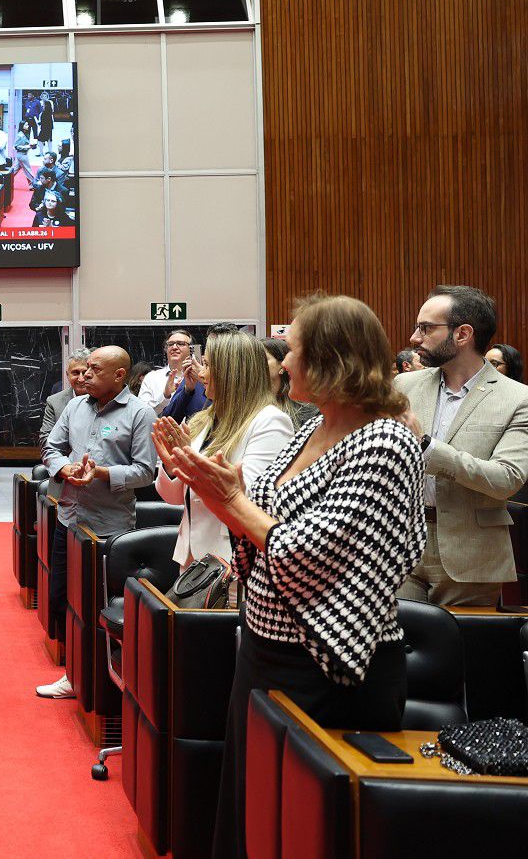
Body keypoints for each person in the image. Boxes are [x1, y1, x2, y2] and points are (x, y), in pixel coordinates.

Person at [163, 295, 424, 858]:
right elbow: (261, 518)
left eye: (293, 351)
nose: (282, 363)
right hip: (266, 650)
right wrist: (217, 487)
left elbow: (307, 550)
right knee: (250, 810)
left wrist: (229, 497)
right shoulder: (313, 430)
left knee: (300, 829)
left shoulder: (384, 442)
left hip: (327, 663)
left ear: (332, 360)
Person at [35, 346, 157, 700]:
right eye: (85, 368)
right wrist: (64, 468)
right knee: (61, 599)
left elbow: (145, 472)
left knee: (96, 607)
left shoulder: (140, 413)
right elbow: (50, 447)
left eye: (95, 369)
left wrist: (101, 473)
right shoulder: (75, 406)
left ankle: (98, 682)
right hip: (69, 519)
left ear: (119, 375)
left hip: (110, 528)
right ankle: (74, 673)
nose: (85, 375)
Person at [395, 285, 528, 607]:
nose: (414, 337)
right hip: (400, 547)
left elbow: (506, 479)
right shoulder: (404, 386)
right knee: (395, 638)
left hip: (471, 552)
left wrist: (427, 448)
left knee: (461, 640)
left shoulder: (517, 399)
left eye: (426, 328)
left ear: (462, 334)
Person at [152, 329, 294, 570]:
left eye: (208, 365)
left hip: (231, 560)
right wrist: (172, 464)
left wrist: (190, 461)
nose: (201, 373)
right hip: (192, 560)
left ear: (233, 371)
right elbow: (175, 498)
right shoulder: (203, 419)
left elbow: (251, 500)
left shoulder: (269, 421)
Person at [261, 337, 318, 427]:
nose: (256, 364)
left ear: (282, 365)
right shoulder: (250, 402)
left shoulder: (307, 409)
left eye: (263, 359)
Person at [39, 347, 90, 440]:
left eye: (85, 372)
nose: (81, 379)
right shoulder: (54, 402)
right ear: (67, 375)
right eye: (75, 373)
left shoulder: (104, 398)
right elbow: (45, 439)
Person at [138, 328, 193, 411]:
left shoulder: (200, 376)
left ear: (191, 349)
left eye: (180, 344)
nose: (174, 347)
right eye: (170, 344)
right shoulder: (151, 378)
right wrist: (165, 396)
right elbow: (142, 413)